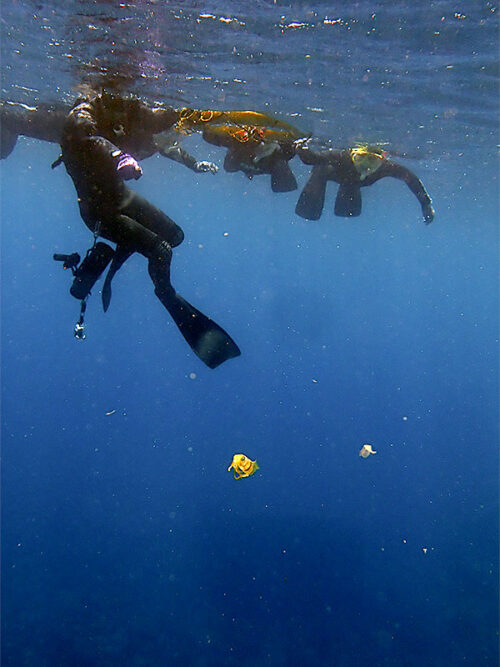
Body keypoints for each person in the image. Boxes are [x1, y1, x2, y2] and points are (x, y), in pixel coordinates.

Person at [59, 95, 240, 369]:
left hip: (120, 196)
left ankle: (124, 248)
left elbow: (160, 144)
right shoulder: (82, 115)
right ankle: (165, 293)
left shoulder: (120, 112)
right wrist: (119, 155)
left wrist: (193, 164)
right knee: (160, 249)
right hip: (100, 212)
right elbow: (89, 138)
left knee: (175, 236)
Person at [0, 94, 218, 174]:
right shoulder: (146, 124)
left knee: (21, 124)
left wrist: (194, 165)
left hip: (79, 144)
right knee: (19, 120)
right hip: (73, 128)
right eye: (177, 134)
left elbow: (170, 148)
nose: (178, 140)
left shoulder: (156, 142)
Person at [294, 141, 435, 223]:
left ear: (382, 160)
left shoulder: (385, 167)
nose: (365, 165)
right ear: (352, 154)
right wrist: (300, 148)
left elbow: (410, 178)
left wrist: (425, 204)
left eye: (373, 160)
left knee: (349, 206)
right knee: (320, 172)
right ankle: (310, 208)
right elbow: (312, 159)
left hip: (351, 182)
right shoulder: (340, 157)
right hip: (329, 172)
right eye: (360, 158)